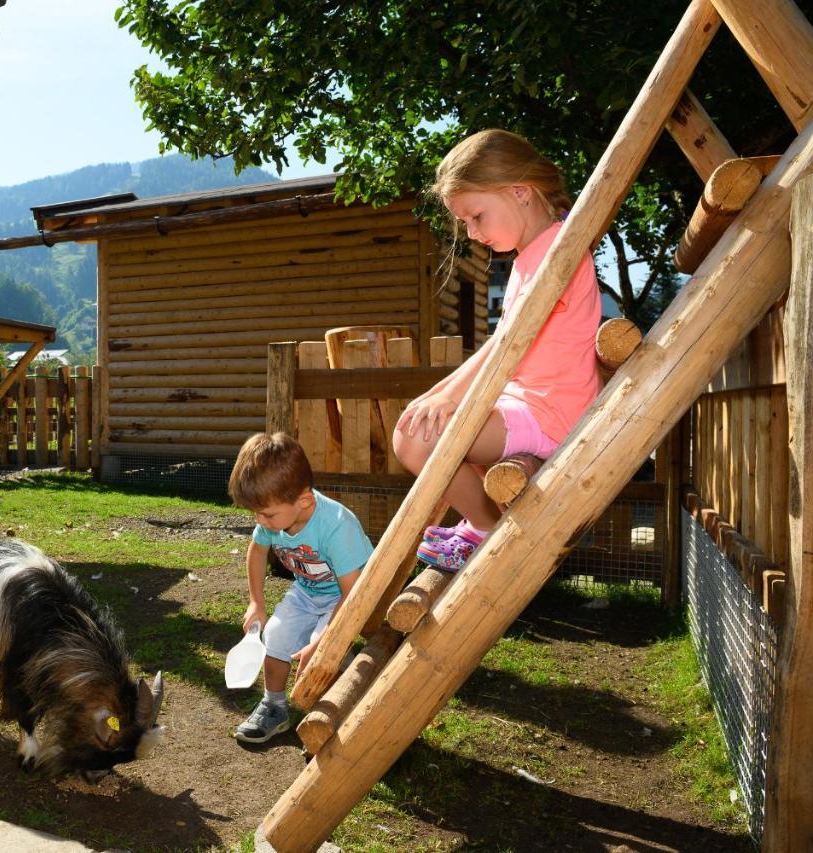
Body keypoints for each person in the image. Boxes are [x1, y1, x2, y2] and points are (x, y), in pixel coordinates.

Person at [393, 128, 602, 572]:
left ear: (520, 192)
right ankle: (478, 523)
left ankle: (484, 528)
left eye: (476, 216)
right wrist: (439, 393)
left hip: (552, 413)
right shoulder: (533, 255)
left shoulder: (558, 253)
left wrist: (450, 397)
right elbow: (503, 343)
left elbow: (509, 344)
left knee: (416, 439)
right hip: (527, 403)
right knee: (417, 425)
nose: (471, 232)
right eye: (466, 222)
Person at [227, 432, 373, 743]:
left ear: (303, 500)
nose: (260, 521)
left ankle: (335, 715)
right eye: (256, 513)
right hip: (309, 591)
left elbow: (353, 593)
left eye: (266, 514)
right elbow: (256, 552)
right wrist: (257, 602)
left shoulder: (336, 526)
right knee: (276, 634)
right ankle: (274, 706)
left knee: (323, 653)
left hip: (348, 595)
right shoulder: (273, 516)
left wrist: (323, 639)